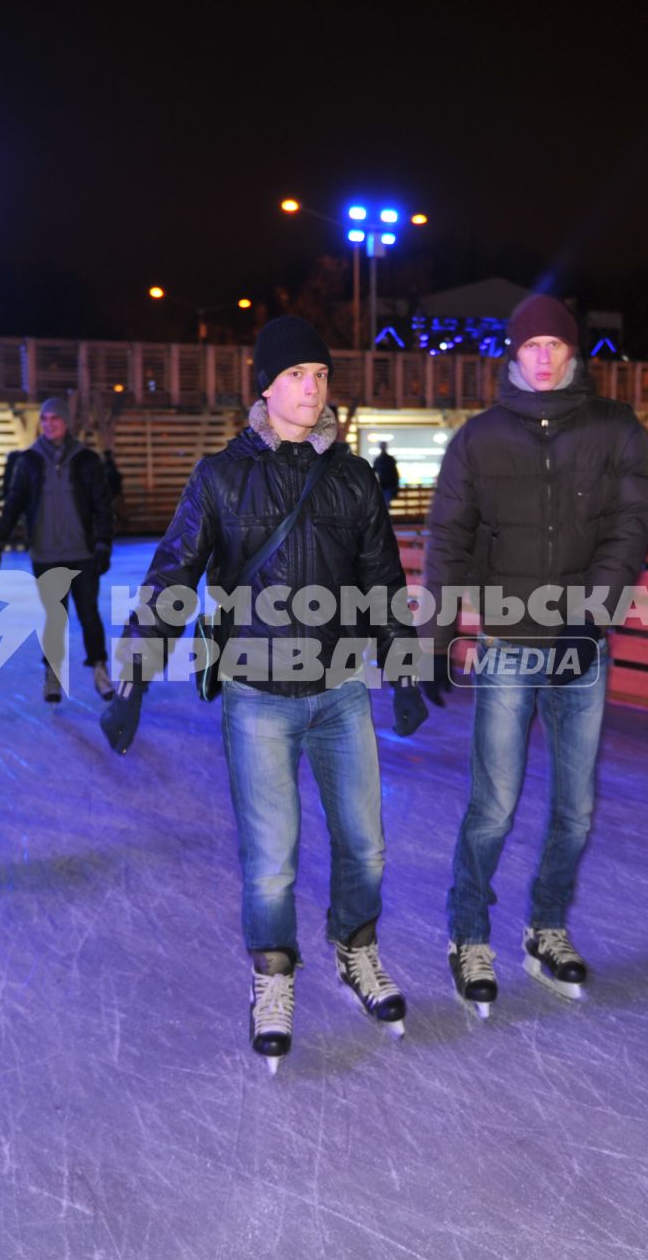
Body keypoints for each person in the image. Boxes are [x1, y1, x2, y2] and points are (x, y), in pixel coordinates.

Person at [107, 316, 427, 1070]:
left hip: (343, 690)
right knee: (271, 858)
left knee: (366, 845)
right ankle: (274, 976)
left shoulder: (351, 477)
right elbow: (173, 577)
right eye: (296, 376)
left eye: (321, 375)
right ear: (265, 386)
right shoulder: (221, 476)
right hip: (258, 696)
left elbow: (382, 580)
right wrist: (136, 677)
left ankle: (355, 948)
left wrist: (404, 665)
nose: (312, 388)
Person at [425, 293, 648, 1015]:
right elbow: (447, 540)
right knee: (493, 804)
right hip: (508, 642)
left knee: (577, 809)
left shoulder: (615, 428)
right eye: (532, 345)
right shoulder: (480, 439)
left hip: (581, 645)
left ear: (574, 351)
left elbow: (630, 525)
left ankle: (547, 926)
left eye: (556, 343)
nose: (545, 354)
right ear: (514, 355)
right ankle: (468, 932)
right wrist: (435, 638)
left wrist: (592, 615)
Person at [0, 397, 117, 703]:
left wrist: (103, 543)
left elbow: (102, 505)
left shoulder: (86, 460)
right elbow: (14, 504)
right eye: (44, 419)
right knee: (54, 617)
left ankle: (99, 669)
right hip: (46, 555)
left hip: (82, 553)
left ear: (66, 422)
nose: (49, 423)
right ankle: (53, 674)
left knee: (88, 614)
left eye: (54, 418)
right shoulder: (28, 462)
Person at [371, 441, 400, 505]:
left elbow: (395, 474)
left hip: (387, 486)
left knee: (384, 505)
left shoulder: (382, 459)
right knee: (384, 505)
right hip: (384, 485)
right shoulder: (380, 459)